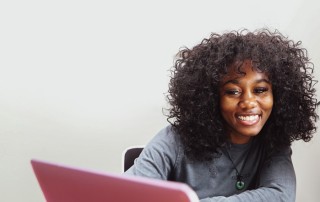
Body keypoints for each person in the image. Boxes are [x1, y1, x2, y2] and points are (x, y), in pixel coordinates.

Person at [124, 29, 318, 201]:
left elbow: (280, 195)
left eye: (260, 90)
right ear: (211, 97)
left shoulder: (273, 141)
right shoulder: (173, 140)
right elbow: (126, 194)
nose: (248, 102)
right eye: (233, 91)